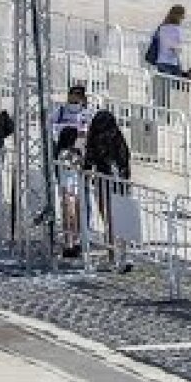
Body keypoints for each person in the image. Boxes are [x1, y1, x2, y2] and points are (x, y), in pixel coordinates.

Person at [82, 110, 132, 274]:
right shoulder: (117, 136)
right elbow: (125, 159)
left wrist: (86, 176)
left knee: (109, 220)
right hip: (118, 182)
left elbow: (89, 159)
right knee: (120, 220)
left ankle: (113, 255)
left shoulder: (95, 137)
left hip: (103, 180)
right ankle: (121, 254)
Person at [55, 126, 83, 259]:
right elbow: (71, 167)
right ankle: (69, 243)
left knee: (75, 216)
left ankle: (75, 242)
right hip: (68, 187)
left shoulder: (75, 152)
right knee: (70, 217)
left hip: (75, 187)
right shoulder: (65, 154)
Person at [153, 4, 184, 78]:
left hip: (161, 60)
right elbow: (174, 48)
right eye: (182, 16)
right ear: (179, 16)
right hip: (171, 61)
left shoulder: (161, 27)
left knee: (164, 86)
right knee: (177, 85)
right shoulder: (177, 30)